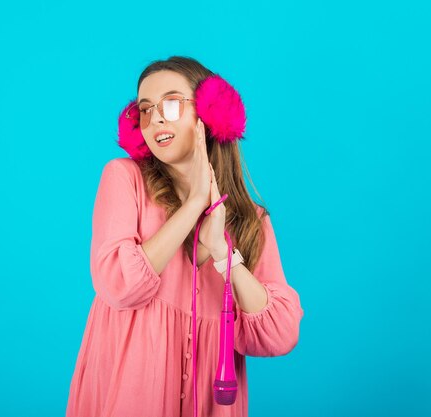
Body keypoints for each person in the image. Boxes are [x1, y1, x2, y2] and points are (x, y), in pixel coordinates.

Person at [66, 56, 304, 417]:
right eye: (145, 110)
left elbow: (278, 334)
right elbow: (118, 284)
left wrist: (225, 255)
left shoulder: (251, 221)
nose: (156, 118)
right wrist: (193, 204)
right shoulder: (123, 179)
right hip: (129, 394)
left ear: (211, 116)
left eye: (172, 104)